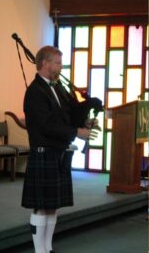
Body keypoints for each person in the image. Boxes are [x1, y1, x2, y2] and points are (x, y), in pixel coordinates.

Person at [22, 46, 97, 253]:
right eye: (57, 62)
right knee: (41, 205)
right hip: (43, 152)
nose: (60, 67)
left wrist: (85, 122)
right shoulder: (35, 91)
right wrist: (76, 132)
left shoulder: (57, 88)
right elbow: (46, 125)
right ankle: (40, 251)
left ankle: (48, 248)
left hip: (58, 152)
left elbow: (67, 116)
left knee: (52, 205)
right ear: (45, 63)